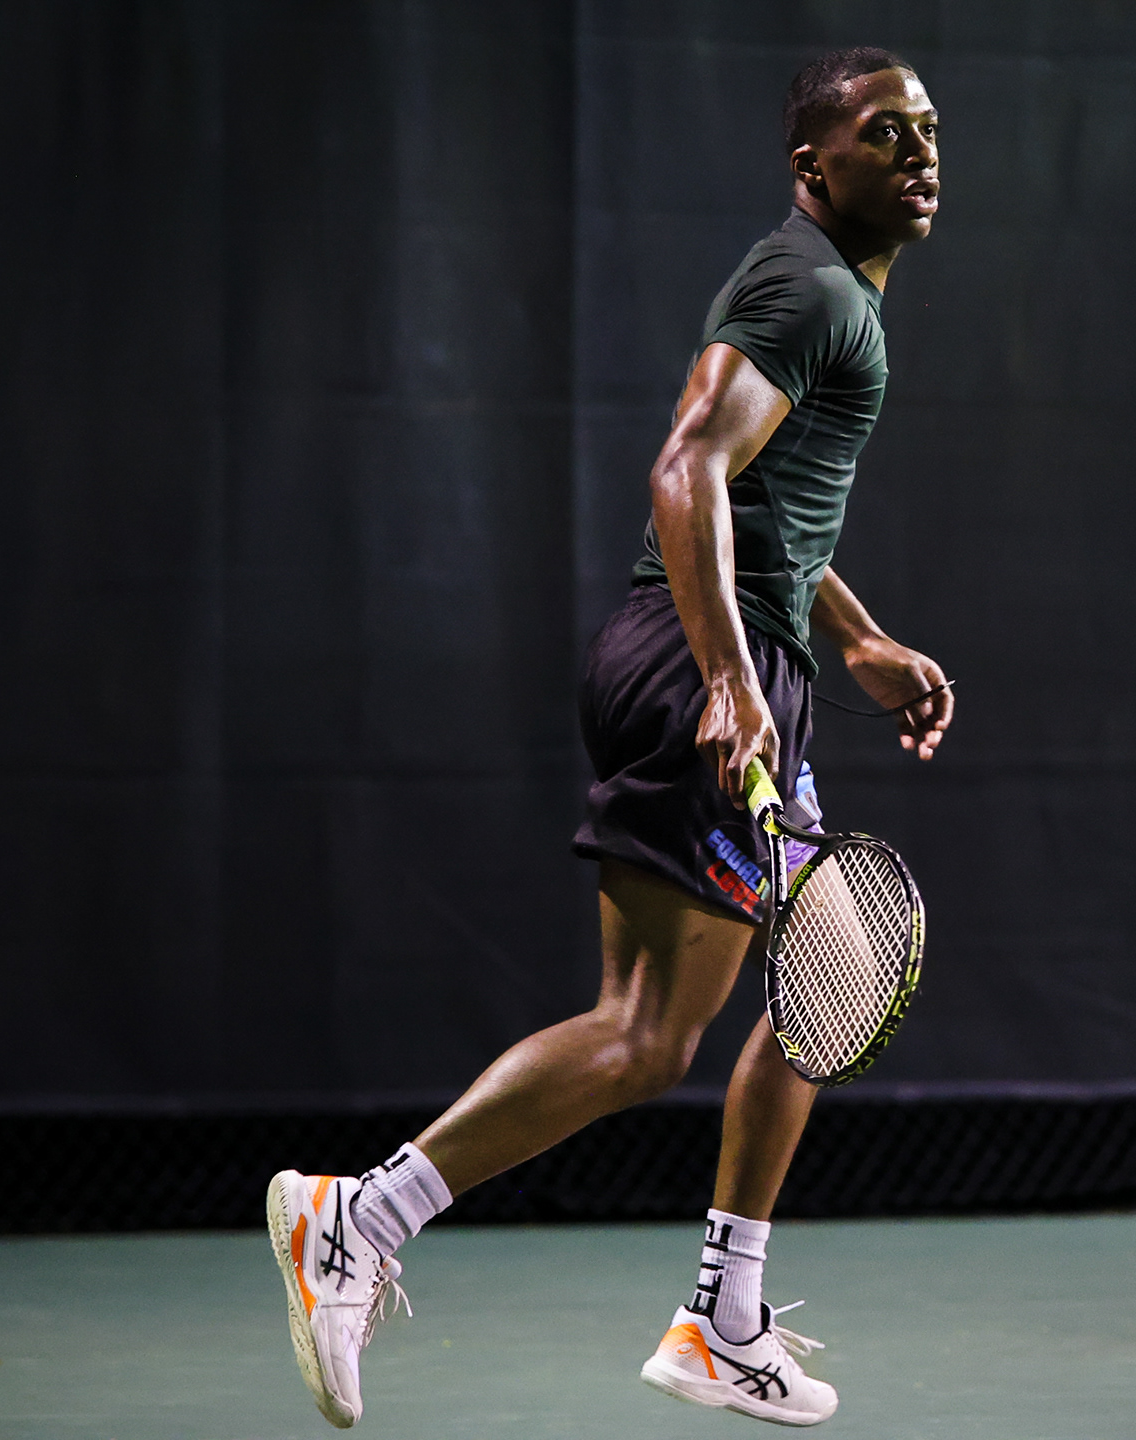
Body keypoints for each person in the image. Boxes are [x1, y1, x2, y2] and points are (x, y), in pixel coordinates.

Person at [265, 46, 950, 1430]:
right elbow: (685, 465)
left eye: (930, 128)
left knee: (823, 976)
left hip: (738, 657)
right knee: (649, 1034)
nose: (922, 151)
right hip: (707, 666)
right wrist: (731, 675)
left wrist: (858, 640)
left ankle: (725, 1317)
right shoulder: (804, 284)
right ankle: (360, 1219)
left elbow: (761, 508)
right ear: (816, 166)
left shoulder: (835, 306)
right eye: (888, 132)